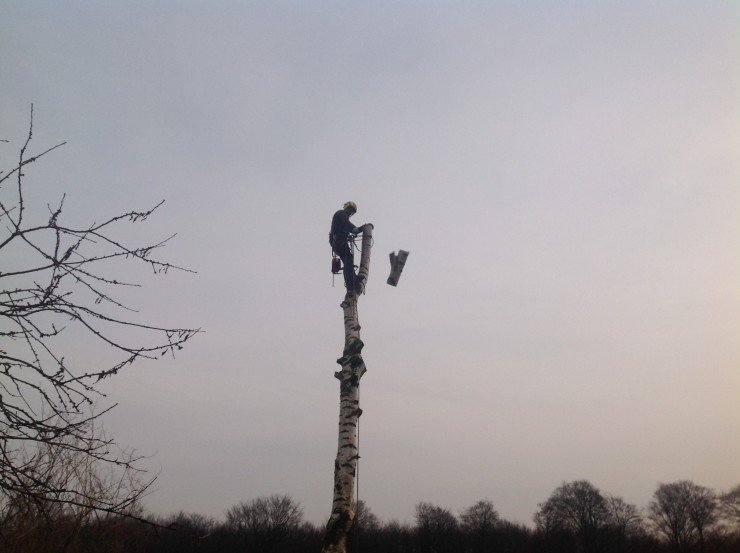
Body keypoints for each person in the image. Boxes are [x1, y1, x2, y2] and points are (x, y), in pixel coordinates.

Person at [329, 201, 365, 294]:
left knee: (348, 260)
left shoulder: (342, 217)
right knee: (348, 260)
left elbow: (349, 227)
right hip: (339, 242)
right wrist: (359, 229)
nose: (350, 212)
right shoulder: (341, 214)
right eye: (350, 210)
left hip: (338, 242)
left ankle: (352, 278)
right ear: (346, 208)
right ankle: (350, 282)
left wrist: (356, 230)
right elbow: (349, 226)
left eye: (352, 211)